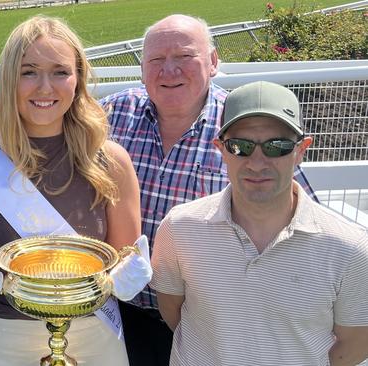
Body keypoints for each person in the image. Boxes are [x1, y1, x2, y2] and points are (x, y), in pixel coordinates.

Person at [99, 14, 318, 365]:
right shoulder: (114, 114)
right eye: (156, 60)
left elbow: (303, 220)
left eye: (185, 57)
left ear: (214, 62)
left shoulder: (243, 128)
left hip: (210, 322)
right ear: (142, 69)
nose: (169, 71)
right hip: (119, 315)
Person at [0, 15, 151, 366]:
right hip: (4, 341)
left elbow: (124, 256)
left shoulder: (112, 162)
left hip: (96, 337)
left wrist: (127, 276)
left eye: (60, 72)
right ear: (9, 80)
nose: (45, 87)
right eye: (29, 72)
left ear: (78, 79)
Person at [151, 80, 368, 365]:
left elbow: (354, 345)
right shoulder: (179, 228)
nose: (256, 162)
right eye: (240, 146)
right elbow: (173, 312)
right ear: (221, 149)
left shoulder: (351, 249)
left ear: (301, 150)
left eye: (276, 147)